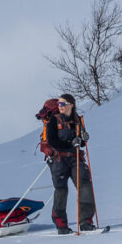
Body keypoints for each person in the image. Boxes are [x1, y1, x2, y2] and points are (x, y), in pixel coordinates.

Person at [45, 94, 96, 234]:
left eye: (63, 103)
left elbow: (81, 142)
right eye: (59, 104)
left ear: (71, 105)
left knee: (84, 185)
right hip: (59, 160)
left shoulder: (78, 120)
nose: (60, 106)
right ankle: (61, 224)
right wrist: (70, 143)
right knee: (61, 190)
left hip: (75, 158)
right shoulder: (53, 121)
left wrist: (84, 139)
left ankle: (86, 222)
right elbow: (52, 141)